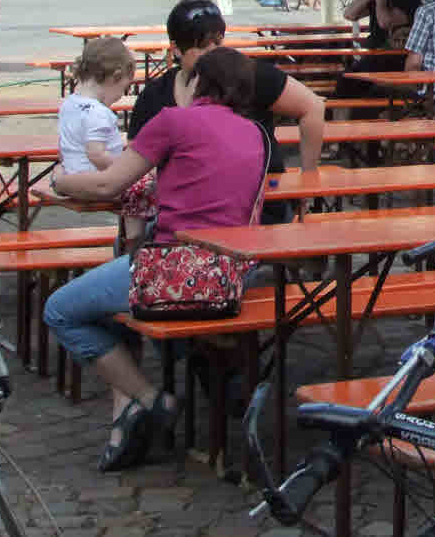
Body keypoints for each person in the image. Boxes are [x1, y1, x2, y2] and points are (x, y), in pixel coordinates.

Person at [43, 47, 267, 472]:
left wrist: (60, 180)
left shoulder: (173, 121)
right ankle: (134, 410)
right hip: (231, 276)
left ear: (198, 82)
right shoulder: (255, 133)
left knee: (60, 310)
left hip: (171, 272)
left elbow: (108, 184)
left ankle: (151, 400)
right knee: (108, 302)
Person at [128, 0, 325, 221]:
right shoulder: (155, 95)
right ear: (176, 49)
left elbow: (313, 107)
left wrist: (308, 178)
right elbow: (134, 159)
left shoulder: (251, 74)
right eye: (202, 46)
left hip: (259, 209)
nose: (213, 52)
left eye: (218, 42)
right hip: (184, 212)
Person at [59, 38, 150, 248]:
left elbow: (63, 147)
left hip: (72, 176)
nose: (120, 96)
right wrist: (127, 167)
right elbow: (96, 155)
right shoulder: (98, 113)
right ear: (115, 77)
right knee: (145, 187)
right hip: (97, 180)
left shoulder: (69, 103)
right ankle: (134, 240)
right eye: (123, 88)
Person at [333, 0, 422, 109]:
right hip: (373, 55)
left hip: (394, 58)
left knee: (349, 82)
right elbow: (350, 14)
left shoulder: (412, 2)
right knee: (345, 80)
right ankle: (339, 116)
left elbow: (384, 22)